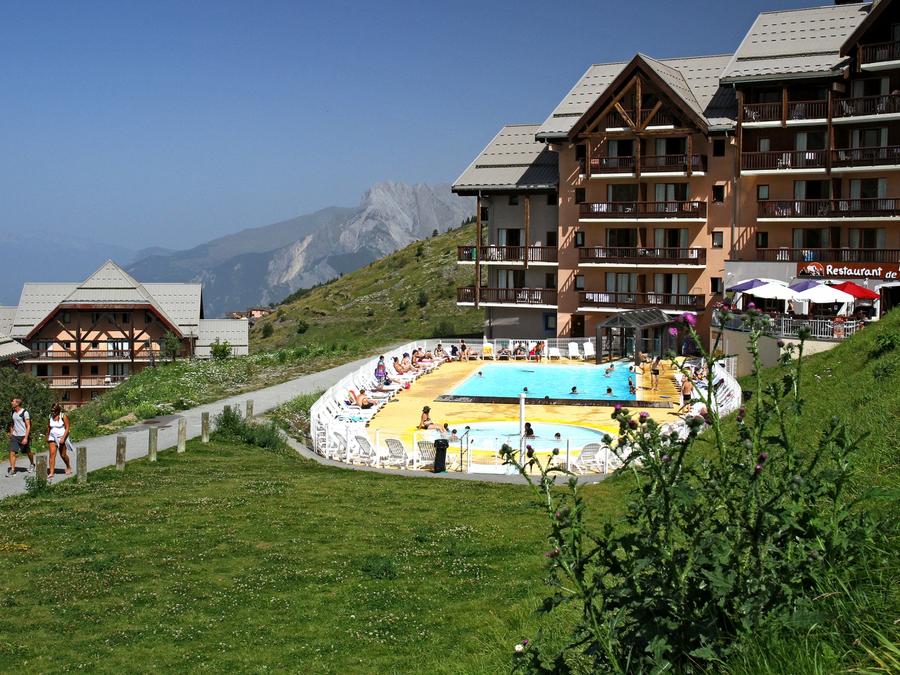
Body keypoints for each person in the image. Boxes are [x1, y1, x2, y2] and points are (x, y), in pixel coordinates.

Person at [8, 398, 36, 477]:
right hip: (15, 436)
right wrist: (11, 433)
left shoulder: (25, 412)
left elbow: (28, 426)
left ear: (17, 404)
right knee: (12, 452)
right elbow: (12, 423)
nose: (11, 403)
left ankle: (32, 464)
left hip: (23, 435)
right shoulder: (13, 412)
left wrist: (26, 437)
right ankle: (12, 470)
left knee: (28, 452)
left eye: (13, 401)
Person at [46, 403, 72, 480]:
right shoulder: (50, 416)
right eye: (52, 411)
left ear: (58, 410)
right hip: (52, 437)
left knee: (63, 455)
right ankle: (51, 472)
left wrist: (63, 438)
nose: (53, 412)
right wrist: (47, 436)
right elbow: (49, 427)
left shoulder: (63, 416)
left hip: (62, 437)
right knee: (52, 454)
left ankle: (68, 466)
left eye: (54, 411)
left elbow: (67, 428)